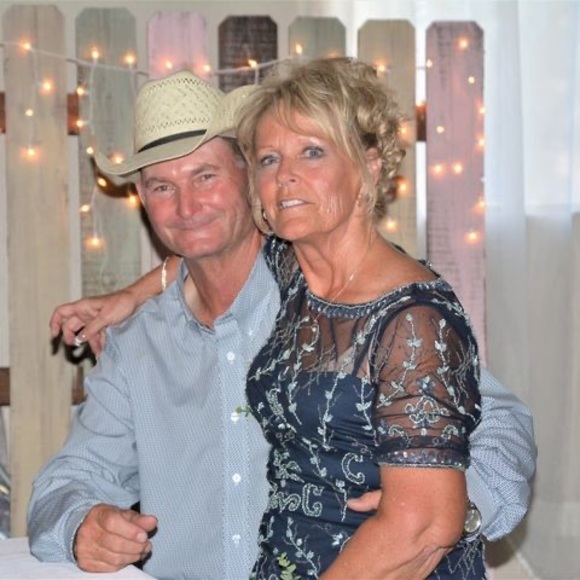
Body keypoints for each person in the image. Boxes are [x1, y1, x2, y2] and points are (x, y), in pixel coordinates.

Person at [33, 66, 535, 578]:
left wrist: (448, 511)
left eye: (205, 176)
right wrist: (81, 526)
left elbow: (500, 426)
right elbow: (69, 479)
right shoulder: (136, 341)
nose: (187, 205)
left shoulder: (336, 296)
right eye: (163, 186)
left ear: (247, 178)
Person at [235, 56, 482, 578]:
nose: (286, 176)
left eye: (312, 152)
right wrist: (133, 294)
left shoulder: (414, 321)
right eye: (269, 159)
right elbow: (203, 245)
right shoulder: (295, 269)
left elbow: (423, 526)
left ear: (369, 167)